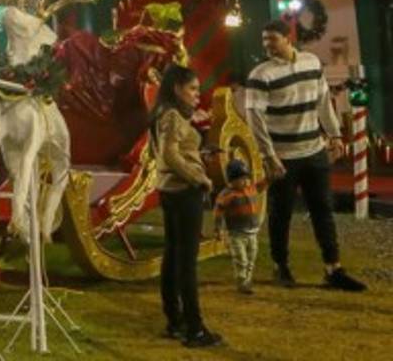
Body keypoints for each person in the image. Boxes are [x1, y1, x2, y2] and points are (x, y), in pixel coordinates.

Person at [244, 19, 366, 292]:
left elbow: (323, 101)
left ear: (288, 38)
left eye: (272, 39)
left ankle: (333, 268)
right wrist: (268, 156)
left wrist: (335, 134)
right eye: (264, 39)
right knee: (281, 213)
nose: (267, 44)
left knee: (323, 210)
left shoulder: (311, 63)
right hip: (282, 157)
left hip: (314, 151)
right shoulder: (260, 75)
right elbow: (255, 119)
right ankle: (281, 266)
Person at [152, 64, 222, 348]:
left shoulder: (167, 113)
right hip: (183, 191)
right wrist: (199, 178)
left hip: (171, 190)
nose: (197, 94)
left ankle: (175, 320)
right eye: (192, 88)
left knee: (173, 256)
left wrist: (199, 155)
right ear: (177, 88)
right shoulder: (171, 115)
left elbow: (175, 151)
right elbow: (170, 155)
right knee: (186, 262)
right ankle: (195, 328)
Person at [212, 158, 268, 294]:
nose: (245, 181)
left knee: (251, 258)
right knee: (241, 258)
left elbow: (264, 183)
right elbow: (218, 211)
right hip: (236, 233)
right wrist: (218, 229)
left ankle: (246, 281)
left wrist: (269, 171)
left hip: (252, 232)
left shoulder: (251, 189)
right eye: (241, 179)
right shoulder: (227, 195)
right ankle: (242, 280)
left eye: (245, 178)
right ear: (232, 180)